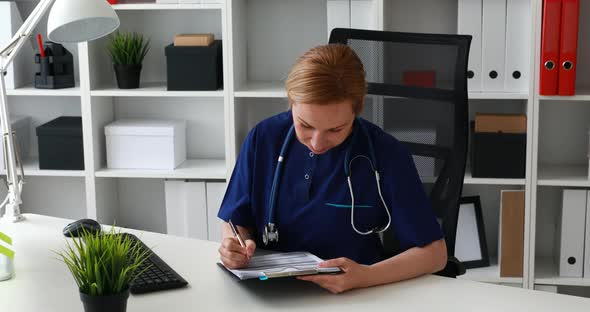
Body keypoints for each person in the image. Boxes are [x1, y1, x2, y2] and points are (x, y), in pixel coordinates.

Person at [217, 43, 447, 294]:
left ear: (357, 109)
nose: (317, 143)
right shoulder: (264, 138)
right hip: (272, 291)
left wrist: (366, 276)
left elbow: (435, 255)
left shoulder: (385, 153)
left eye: (335, 130)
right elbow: (235, 220)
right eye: (305, 125)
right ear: (291, 102)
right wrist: (234, 246)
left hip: (355, 293)